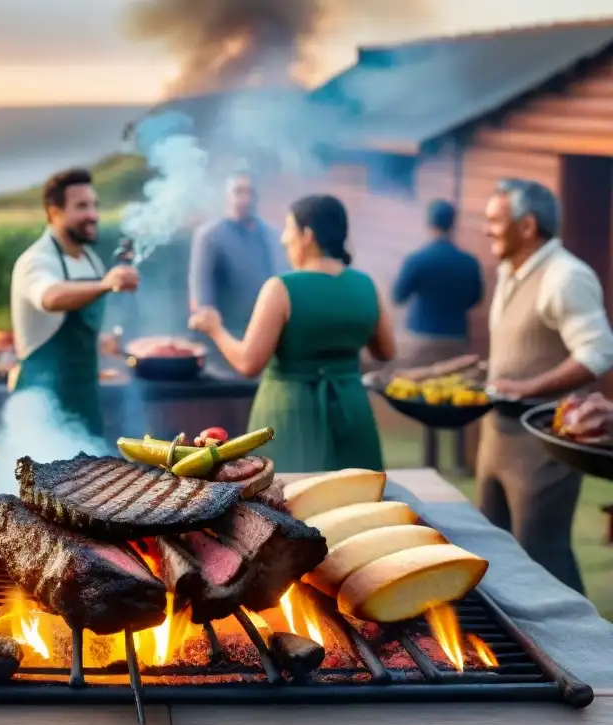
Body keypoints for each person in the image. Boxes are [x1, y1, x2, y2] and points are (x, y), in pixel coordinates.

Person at [189, 194, 395, 472]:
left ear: (307, 234)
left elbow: (248, 363)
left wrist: (214, 328)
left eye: (289, 228)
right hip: (352, 412)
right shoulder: (365, 285)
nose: (284, 239)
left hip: (291, 417)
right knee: (358, 503)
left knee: (285, 506)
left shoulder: (281, 288)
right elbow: (386, 351)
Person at [478, 178, 613, 594]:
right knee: (493, 558)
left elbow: (598, 352)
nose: (487, 229)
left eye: (495, 220)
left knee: (542, 559)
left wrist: (530, 386)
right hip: (496, 438)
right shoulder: (509, 270)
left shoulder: (566, 276)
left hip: (543, 444)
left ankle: (580, 654)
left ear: (528, 225)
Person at [9, 168, 139, 437]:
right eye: (81, 206)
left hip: (85, 401)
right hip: (43, 406)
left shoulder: (89, 258)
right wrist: (106, 284)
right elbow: (51, 298)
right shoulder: (36, 260)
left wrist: (102, 341)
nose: (92, 215)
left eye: (94, 205)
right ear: (54, 212)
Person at [392, 200, 484, 471]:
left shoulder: (418, 259)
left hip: (422, 335)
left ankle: (429, 461)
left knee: (425, 394)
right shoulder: (468, 261)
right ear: (453, 224)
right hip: (455, 335)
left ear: (430, 223)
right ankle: (458, 461)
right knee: (458, 392)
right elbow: (475, 298)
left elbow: (398, 296)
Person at [188, 172, 289, 347]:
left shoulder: (271, 235)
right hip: (226, 336)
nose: (244, 199)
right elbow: (201, 291)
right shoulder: (210, 236)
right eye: (238, 192)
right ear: (227, 196)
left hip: (267, 332)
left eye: (250, 192)